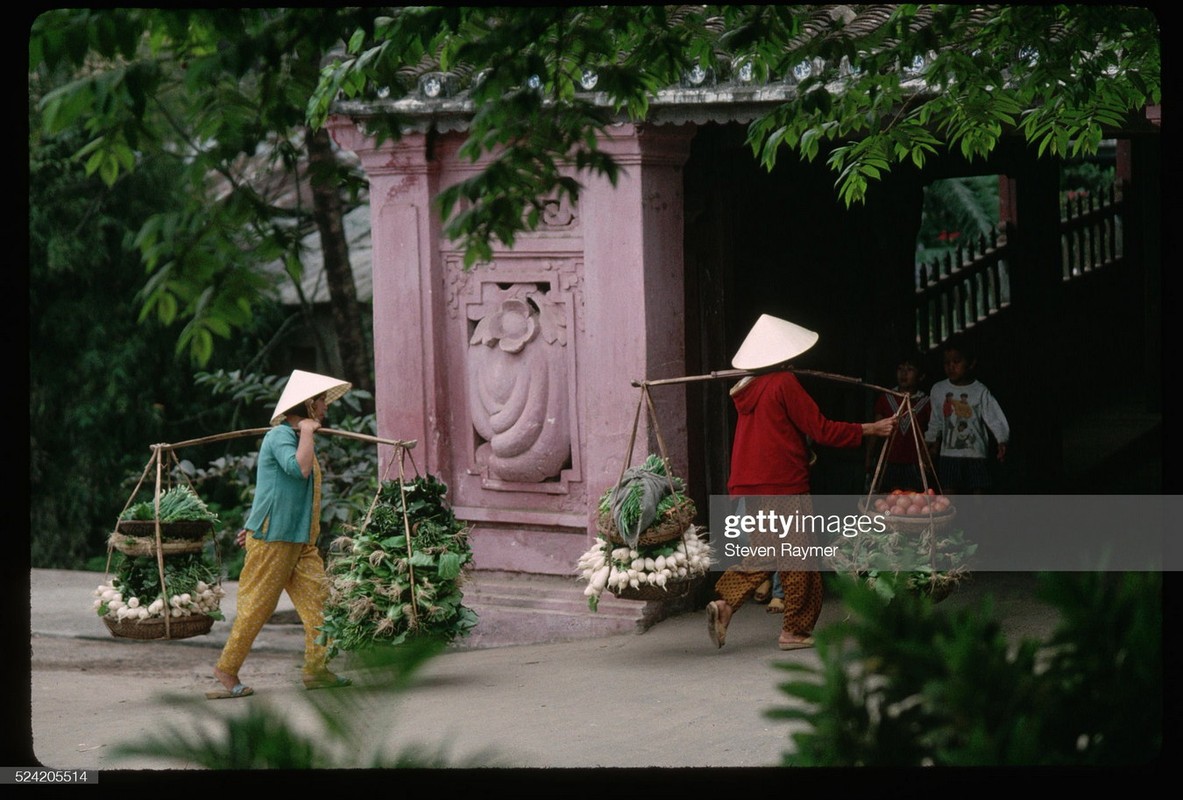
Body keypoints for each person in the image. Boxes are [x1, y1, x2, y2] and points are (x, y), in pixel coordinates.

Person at [705, 314, 897, 651]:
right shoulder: (783, 383)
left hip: (751, 485)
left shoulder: (748, 388)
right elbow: (821, 429)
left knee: (763, 553)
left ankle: (724, 606)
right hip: (783, 485)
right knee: (800, 559)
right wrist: (870, 428)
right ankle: (794, 630)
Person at [208, 369, 354, 699]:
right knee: (257, 606)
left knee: (321, 605)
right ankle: (226, 669)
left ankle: (317, 670)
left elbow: (276, 489)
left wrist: (305, 432)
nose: (326, 408)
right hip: (274, 538)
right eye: (322, 402)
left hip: (300, 541)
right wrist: (305, 430)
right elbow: (298, 470)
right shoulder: (280, 437)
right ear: (310, 405)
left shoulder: (298, 436)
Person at [923, 336, 1010, 494]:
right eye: (947, 363)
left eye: (956, 362)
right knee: (949, 498)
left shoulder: (980, 390)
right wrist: (930, 443)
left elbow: (994, 416)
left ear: (970, 363)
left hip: (976, 454)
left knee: (978, 499)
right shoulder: (938, 389)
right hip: (948, 455)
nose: (951, 367)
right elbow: (936, 420)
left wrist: (1002, 439)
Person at [864, 350, 933, 493]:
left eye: (910, 370)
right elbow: (875, 432)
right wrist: (869, 457)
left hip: (915, 463)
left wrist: (928, 458)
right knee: (887, 500)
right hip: (888, 461)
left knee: (912, 502)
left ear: (921, 376)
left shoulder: (926, 402)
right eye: (900, 369)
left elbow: (932, 433)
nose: (904, 373)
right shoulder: (886, 398)